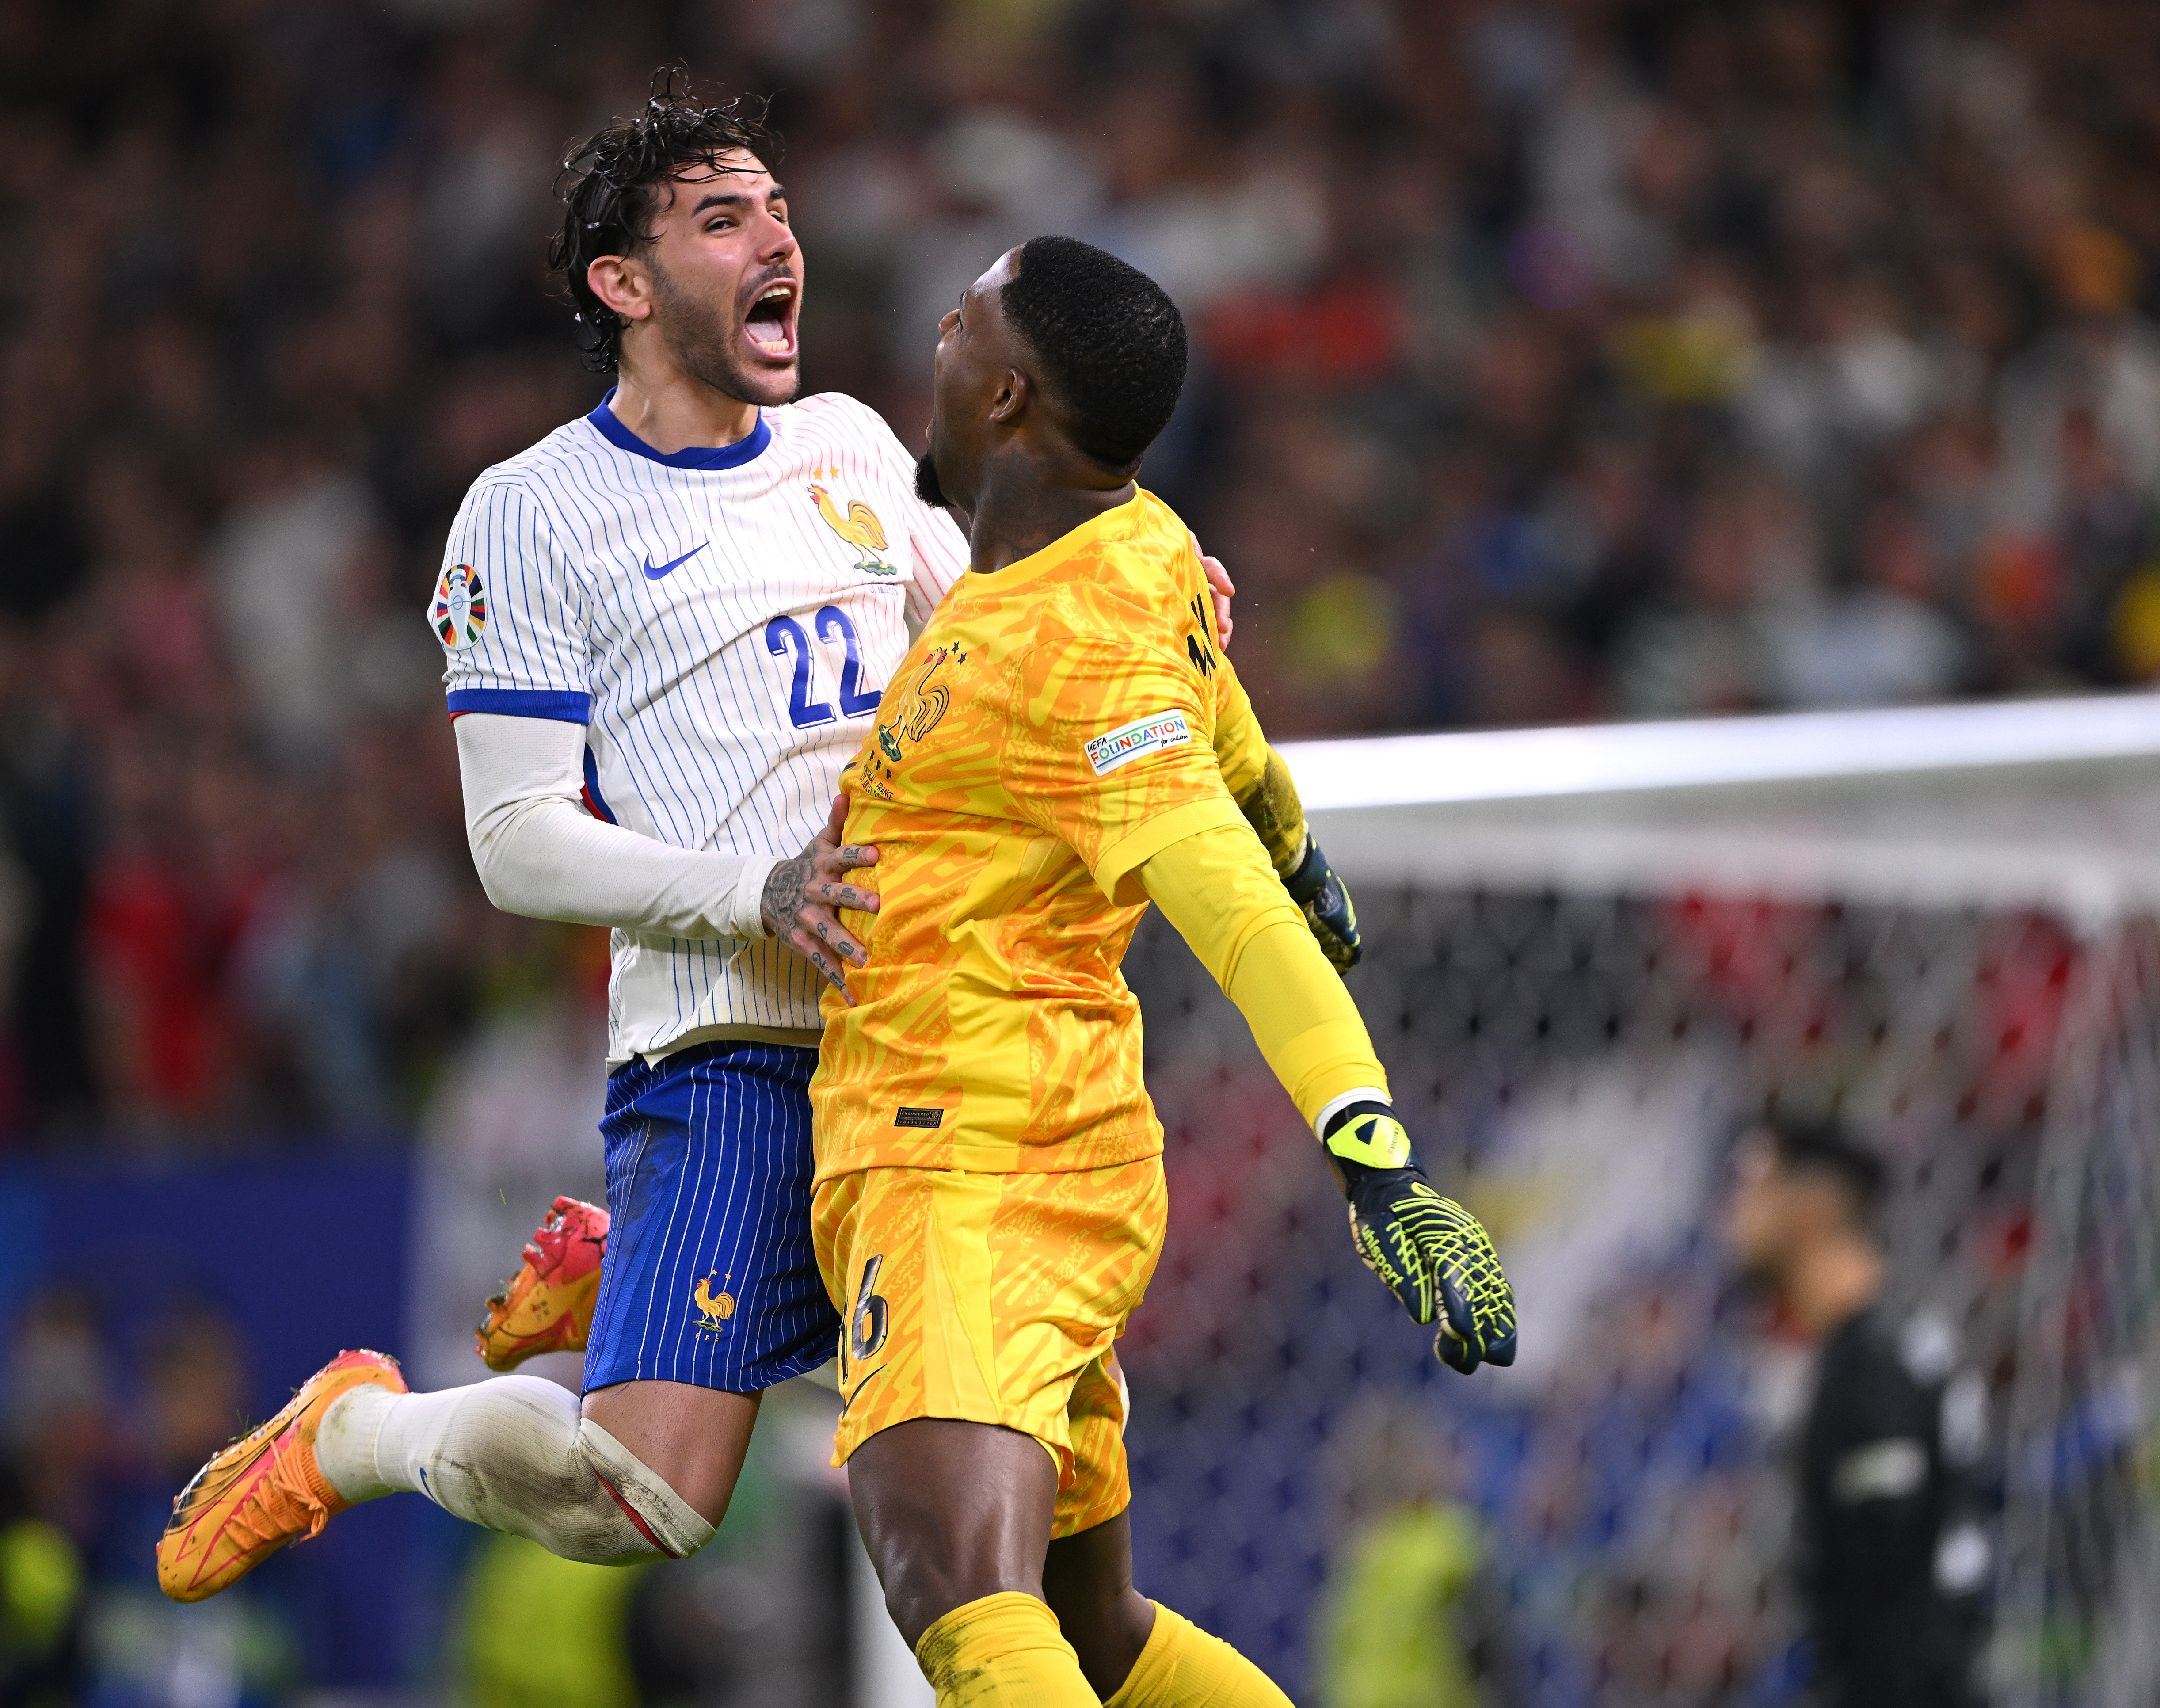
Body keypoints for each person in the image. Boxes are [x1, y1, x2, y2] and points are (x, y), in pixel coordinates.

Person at [151, 77, 1265, 1610]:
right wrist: (753, 890)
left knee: (1041, 1524)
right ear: (622, 283)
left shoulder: (853, 447)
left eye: (779, 208)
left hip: (927, 1043)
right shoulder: (531, 512)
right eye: (722, 218)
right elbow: (517, 844)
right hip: (729, 1048)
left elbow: (992, 642)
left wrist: (1138, 590)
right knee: (649, 1502)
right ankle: (354, 1429)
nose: (776, 238)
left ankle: (632, 1283)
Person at [808, 234, 1518, 1708]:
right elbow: (1225, 731)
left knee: (958, 1596)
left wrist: (1370, 1154)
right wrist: (1287, 821)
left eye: (957, 324)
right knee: (1090, 1630)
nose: (928, 339)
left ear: (1003, 396)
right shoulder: (1136, 546)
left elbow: (1233, 909)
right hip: (1054, 1148)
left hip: (962, 1161)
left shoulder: (1058, 650)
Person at [1722, 1117, 1986, 1708]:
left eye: (1750, 1188)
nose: (1732, 1215)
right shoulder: (1883, 1351)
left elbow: (1889, 1592)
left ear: (1810, 1209)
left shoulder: (1871, 1376)